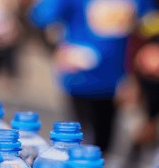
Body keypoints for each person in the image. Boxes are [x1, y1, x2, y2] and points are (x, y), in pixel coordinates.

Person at [30, 0, 157, 154]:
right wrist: (56, 48)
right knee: (80, 140)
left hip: (115, 82)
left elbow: (150, 22)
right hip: (79, 79)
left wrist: (150, 46)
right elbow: (40, 16)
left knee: (104, 143)